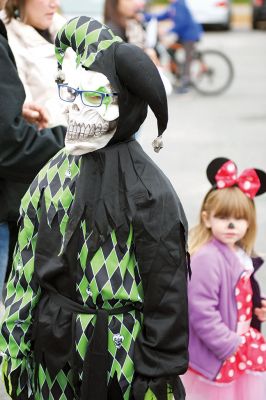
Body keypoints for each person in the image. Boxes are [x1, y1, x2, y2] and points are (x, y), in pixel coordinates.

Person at [0, 16, 189, 400]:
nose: (75, 109)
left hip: (121, 361)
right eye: (70, 92)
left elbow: (166, 297)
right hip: (52, 355)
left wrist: (155, 378)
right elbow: (23, 275)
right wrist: (15, 355)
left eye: (93, 96)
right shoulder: (50, 176)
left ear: (125, 103)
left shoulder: (149, 192)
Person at [182, 157, 266, 400]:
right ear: (207, 218)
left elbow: (235, 295)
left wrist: (256, 306)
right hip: (218, 352)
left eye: (239, 218)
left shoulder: (238, 254)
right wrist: (228, 344)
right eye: (223, 217)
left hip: (236, 344)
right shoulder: (207, 258)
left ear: (249, 222)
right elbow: (200, 310)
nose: (231, 224)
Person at [0, 0, 66, 300]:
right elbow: (9, 141)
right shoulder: (12, 38)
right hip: (31, 175)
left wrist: (15, 110)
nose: (54, 2)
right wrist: (72, 138)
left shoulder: (64, 32)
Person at [3, 0, 75, 127]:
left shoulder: (65, 28)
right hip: (54, 139)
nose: (55, 4)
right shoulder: (8, 43)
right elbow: (29, 119)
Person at [144, 0, 203, 92]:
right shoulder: (173, 5)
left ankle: (185, 82)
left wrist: (167, 31)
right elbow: (162, 16)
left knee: (188, 59)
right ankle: (178, 73)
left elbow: (181, 23)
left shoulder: (180, 4)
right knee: (170, 50)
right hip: (183, 35)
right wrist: (145, 17)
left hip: (190, 35)